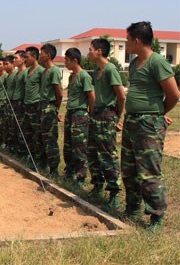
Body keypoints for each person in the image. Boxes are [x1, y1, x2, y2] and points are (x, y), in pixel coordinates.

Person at [121, 21, 180, 232]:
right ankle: (132, 209)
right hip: (132, 122)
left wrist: (157, 115)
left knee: (149, 172)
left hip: (148, 124)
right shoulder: (135, 63)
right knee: (129, 169)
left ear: (137, 41)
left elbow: (173, 94)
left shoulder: (157, 62)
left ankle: (156, 216)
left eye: (127, 40)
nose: (126, 44)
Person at [87, 38, 125, 211]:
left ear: (99, 51)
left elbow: (121, 96)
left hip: (107, 115)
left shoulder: (110, 70)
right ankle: (97, 185)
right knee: (93, 153)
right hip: (96, 116)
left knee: (108, 155)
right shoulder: (97, 72)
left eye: (90, 49)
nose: (88, 53)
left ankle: (114, 194)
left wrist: (118, 117)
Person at [63, 48, 95, 187]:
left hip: (80, 114)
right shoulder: (72, 76)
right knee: (68, 146)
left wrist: (91, 115)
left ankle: (80, 177)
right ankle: (69, 172)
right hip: (70, 113)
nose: (65, 62)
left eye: (66, 59)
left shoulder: (84, 76)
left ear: (74, 60)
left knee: (80, 148)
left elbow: (91, 97)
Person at [38, 43, 62, 176]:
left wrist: (55, 108)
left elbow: (59, 93)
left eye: (42, 53)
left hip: (49, 107)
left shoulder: (54, 71)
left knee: (51, 139)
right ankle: (44, 164)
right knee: (43, 138)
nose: (40, 56)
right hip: (42, 107)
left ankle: (54, 169)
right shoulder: (45, 71)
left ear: (48, 55)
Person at [23, 47, 45, 168]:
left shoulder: (41, 71)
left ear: (34, 57)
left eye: (27, 57)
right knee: (28, 134)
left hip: (36, 106)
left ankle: (40, 161)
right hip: (27, 106)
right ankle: (31, 157)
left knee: (37, 135)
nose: (25, 59)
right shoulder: (28, 71)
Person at [10, 50, 28, 158]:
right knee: (15, 127)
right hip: (15, 102)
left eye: (16, 58)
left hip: (21, 103)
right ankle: (17, 150)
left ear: (23, 59)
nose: (14, 60)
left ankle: (23, 152)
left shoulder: (25, 73)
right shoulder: (17, 73)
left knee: (22, 128)